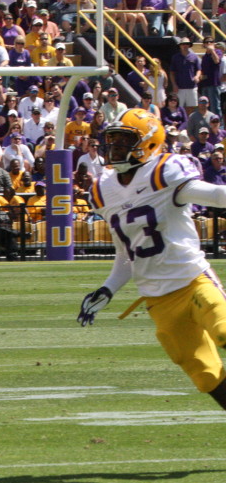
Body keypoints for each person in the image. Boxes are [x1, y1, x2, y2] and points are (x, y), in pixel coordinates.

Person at [79, 109, 226, 410]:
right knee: (205, 374)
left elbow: (214, 195)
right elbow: (127, 252)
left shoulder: (163, 172)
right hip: (156, 299)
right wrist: (108, 289)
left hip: (192, 280)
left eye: (124, 140)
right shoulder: (103, 190)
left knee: (224, 330)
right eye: (113, 140)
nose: (115, 146)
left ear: (148, 143)